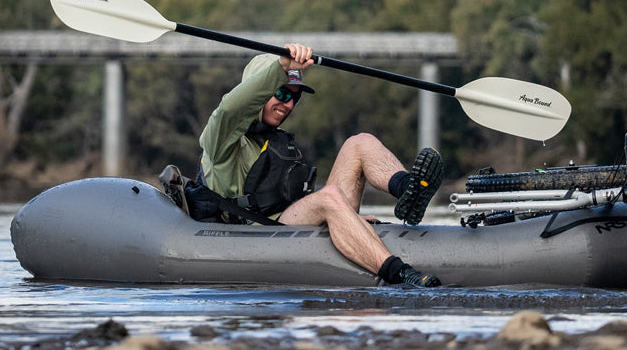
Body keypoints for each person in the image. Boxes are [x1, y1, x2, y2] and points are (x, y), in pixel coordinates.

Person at [184, 43, 445, 288]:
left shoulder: (272, 139)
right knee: (328, 197)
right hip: (255, 238)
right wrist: (281, 68)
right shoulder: (222, 139)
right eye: (281, 92)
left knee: (359, 143)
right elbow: (230, 108)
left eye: (294, 98)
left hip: (287, 226)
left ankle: (409, 189)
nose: (287, 104)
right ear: (260, 89)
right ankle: (399, 274)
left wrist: (349, 219)